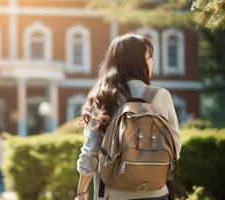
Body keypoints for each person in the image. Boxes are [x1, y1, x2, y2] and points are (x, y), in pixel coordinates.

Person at [76, 33, 181, 200]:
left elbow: (91, 152)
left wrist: (81, 193)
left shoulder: (103, 96)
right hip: (157, 192)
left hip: (113, 193)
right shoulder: (161, 96)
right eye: (149, 57)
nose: (151, 62)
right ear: (139, 62)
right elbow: (175, 147)